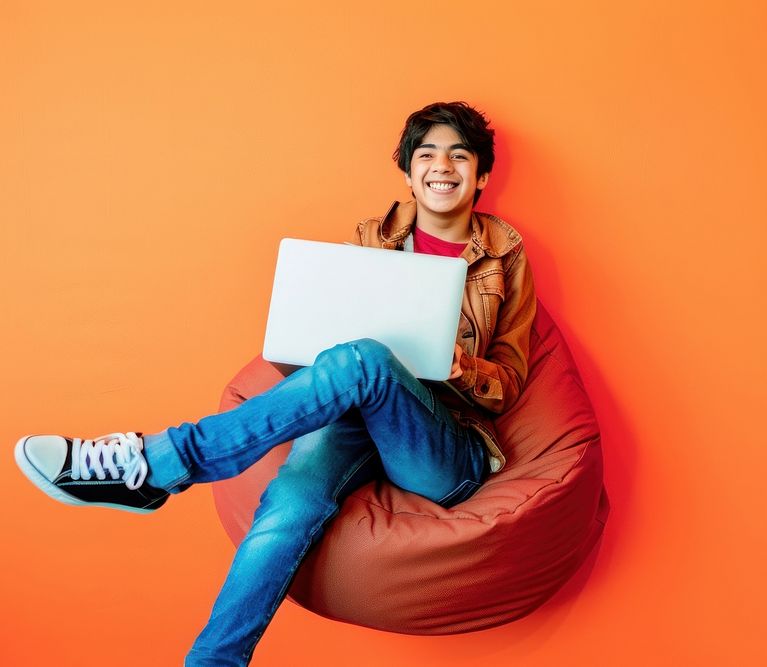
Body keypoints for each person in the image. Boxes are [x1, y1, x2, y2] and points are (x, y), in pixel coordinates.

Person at [13, 101, 537, 666]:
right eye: (427, 154)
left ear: (480, 176)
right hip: (355, 419)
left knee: (363, 358)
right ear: (409, 173)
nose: (442, 166)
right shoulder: (369, 239)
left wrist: (463, 368)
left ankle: (160, 461)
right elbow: (320, 351)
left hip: (441, 446)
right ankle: (212, 660)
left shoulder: (505, 256)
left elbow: (509, 382)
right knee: (289, 502)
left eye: (459, 156)